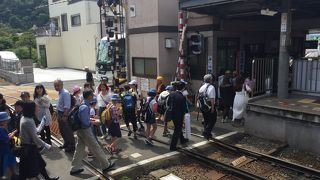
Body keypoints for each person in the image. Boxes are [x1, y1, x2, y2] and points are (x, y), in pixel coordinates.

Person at [70, 89, 114, 175]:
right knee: (95, 147)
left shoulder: (83, 105)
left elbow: (83, 119)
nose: (93, 96)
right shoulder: (85, 107)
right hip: (85, 130)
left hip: (80, 130)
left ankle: (74, 168)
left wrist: (90, 120)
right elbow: (85, 122)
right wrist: (94, 122)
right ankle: (105, 165)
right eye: (92, 95)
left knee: (79, 148)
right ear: (89, 96)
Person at [19, 101, 58, 180]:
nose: (38, 108)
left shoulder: (25, 117)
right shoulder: (28, 121)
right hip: (29, 148)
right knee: (26, 170)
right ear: (32, 109)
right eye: (36, 107)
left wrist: (42, 123)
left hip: (28, 146)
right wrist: (47, 145)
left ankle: (47, 178)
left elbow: (34, 132)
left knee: (40, 164)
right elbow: (35, 138)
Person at [54, 79, 75, 152]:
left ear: (62, 85)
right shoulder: (60, 92)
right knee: (62, 130)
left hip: (64, 114)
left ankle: (71, 146)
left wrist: (65, 116)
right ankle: (66, 143)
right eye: (55, 86)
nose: (56, 87)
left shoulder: (65, 93)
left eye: (58, 85)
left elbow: (67, 106)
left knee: (67, 131)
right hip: (60, 113)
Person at [167, 82, 189, 151]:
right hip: (179, 115)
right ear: (183, 88)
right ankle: (172, 146)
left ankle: (182, 139)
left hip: (172, 114)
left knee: (178, 128)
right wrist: (187, 113)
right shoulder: (182, 97)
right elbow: (184, 108)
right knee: (177, 129)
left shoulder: (171, 94)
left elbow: (168, 103)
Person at [198, 74, 217, 140]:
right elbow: (212, 99)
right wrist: (212, 108)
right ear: (211, 80)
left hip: (202, 106)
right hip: (209, 106)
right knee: (213, 120)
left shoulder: (202, 87)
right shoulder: (211, 87)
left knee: (206, 119)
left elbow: (198, 96)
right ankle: (206, 132)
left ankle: (208, 134)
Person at [0, 112, 18, 179]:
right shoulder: (1, 129)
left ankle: (13, 175)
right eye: (5, 120)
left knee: (10, 162)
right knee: (3, 165)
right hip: (4, 150)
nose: (7, 121)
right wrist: (13, 133)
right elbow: (6, 139)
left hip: (6, 150)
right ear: (2, 121)